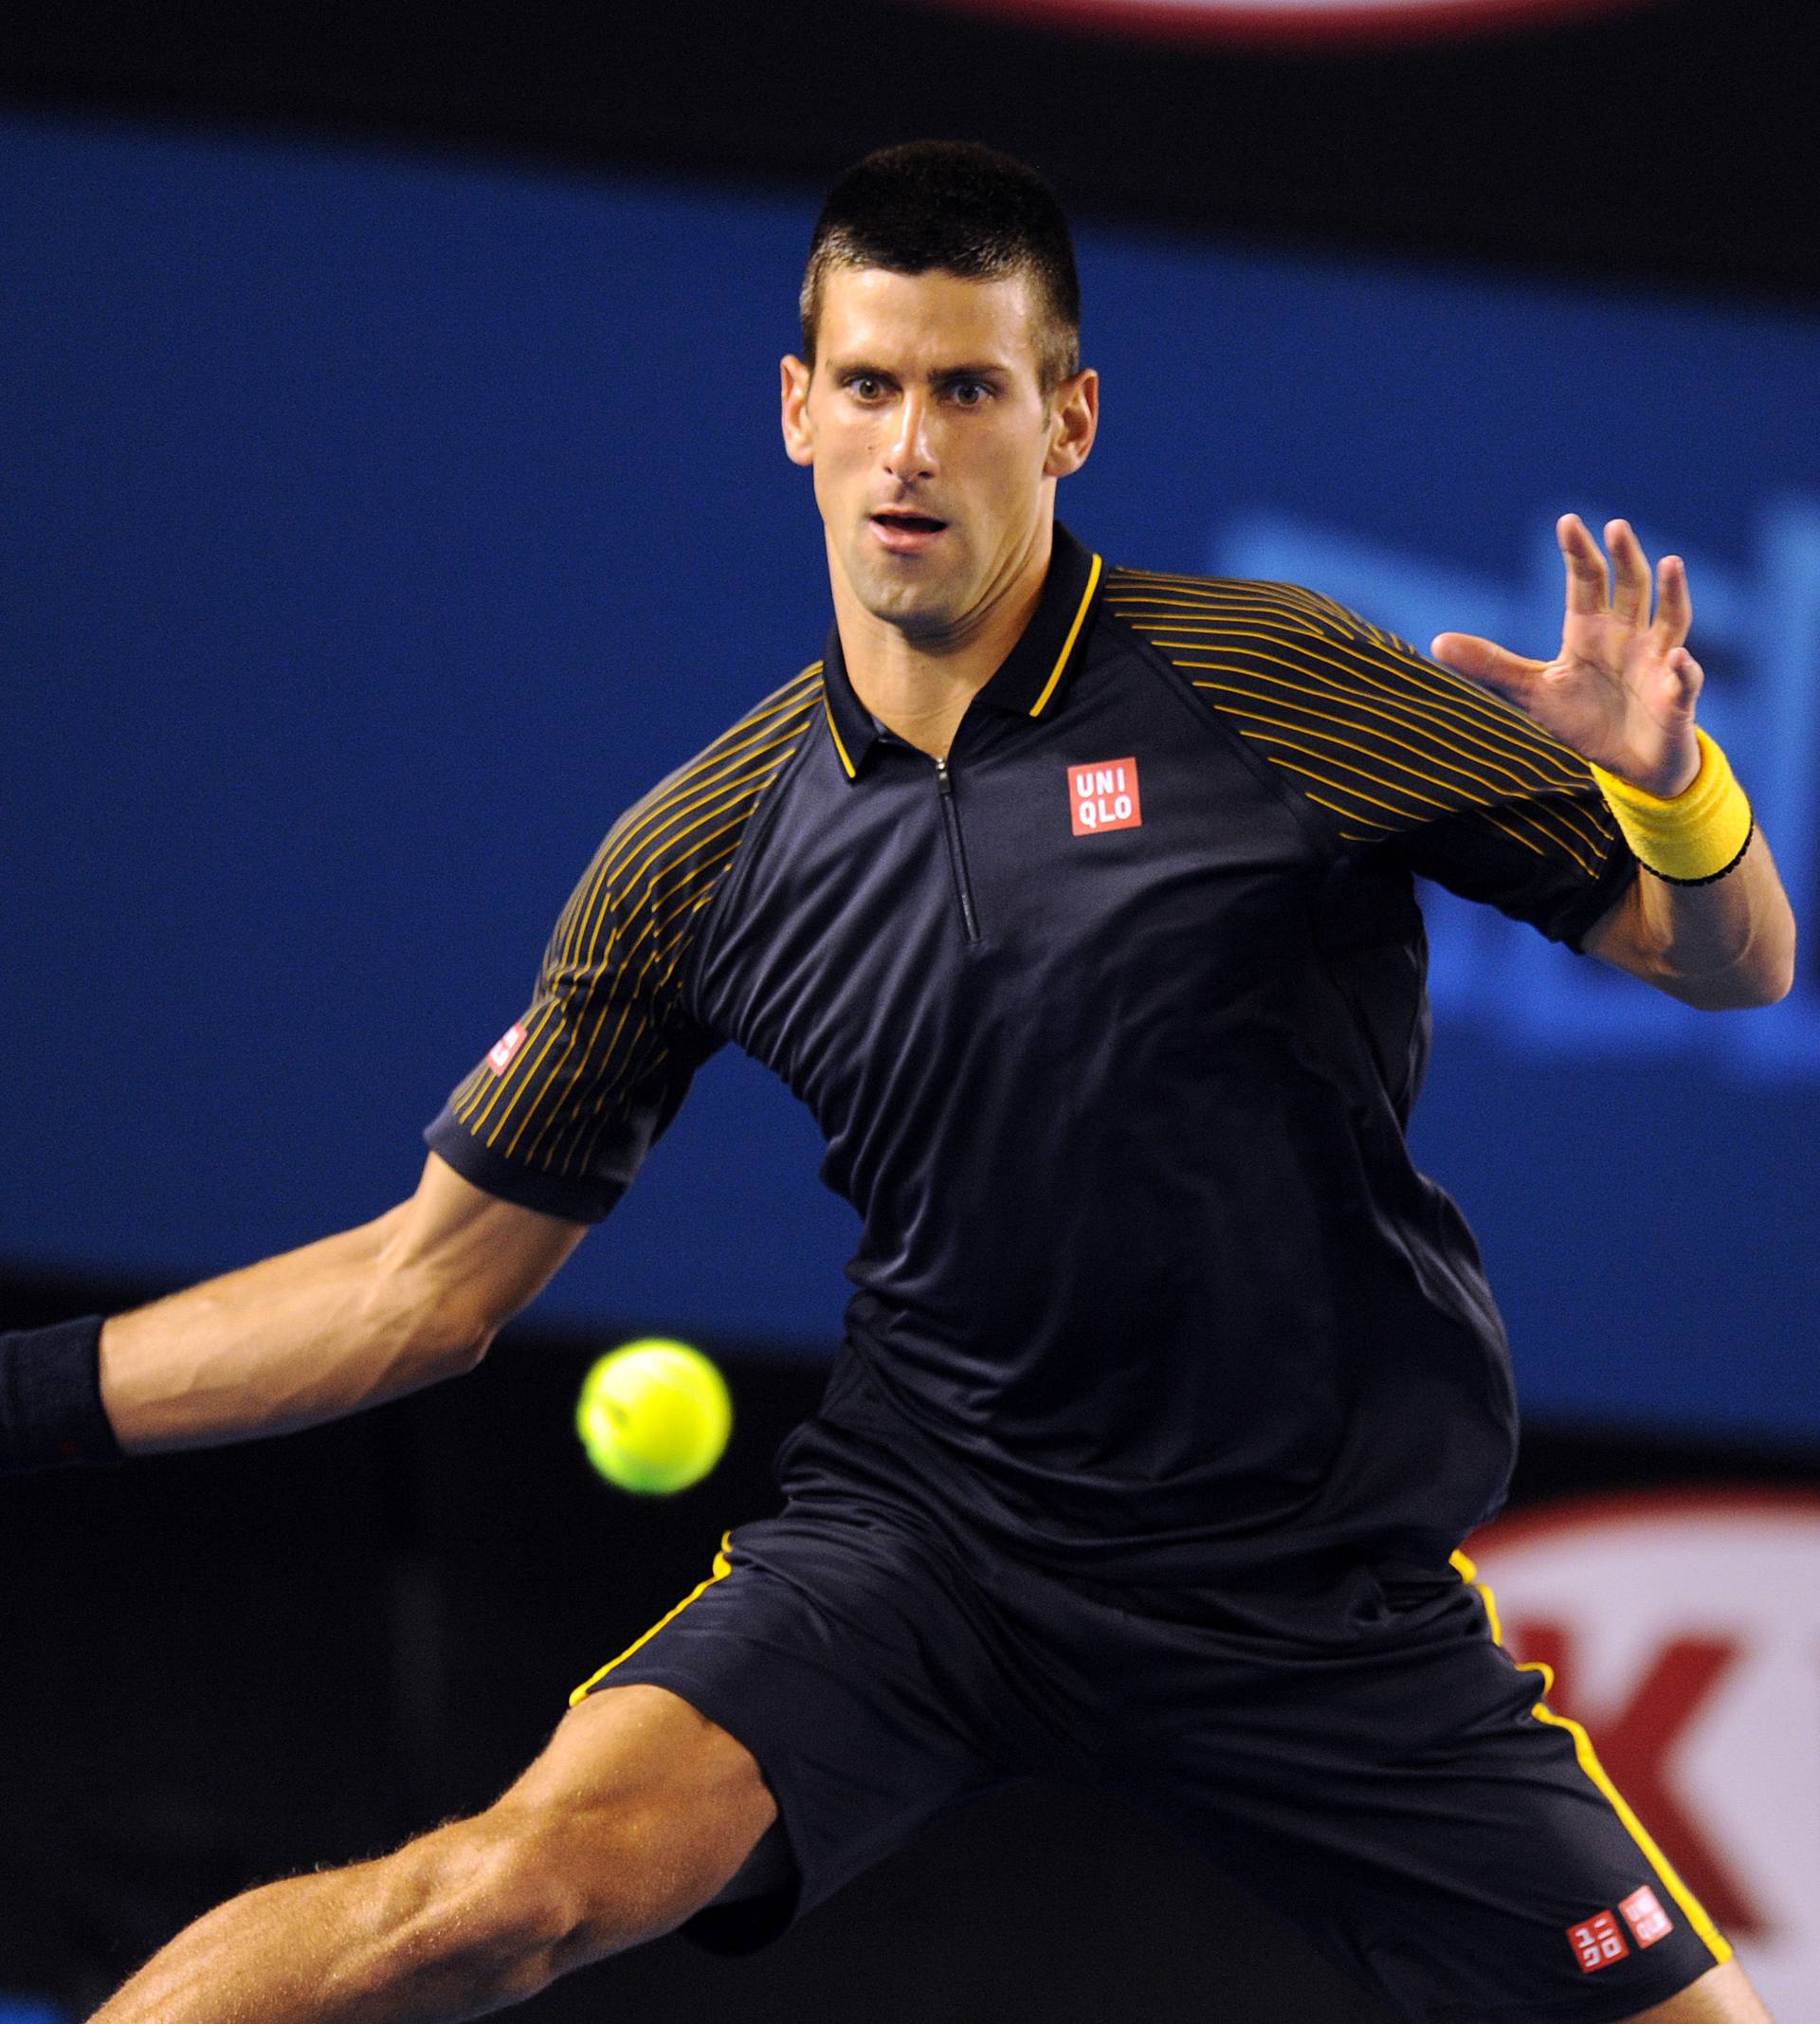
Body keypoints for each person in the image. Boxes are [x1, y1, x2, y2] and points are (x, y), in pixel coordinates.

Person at [0, 142, 1793, 2024]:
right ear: (798, 410)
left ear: (1068, 418)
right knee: (487, 1902)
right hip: (936, 1551)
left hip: (1316, 1593)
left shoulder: (1271, 682)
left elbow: (1733, 963)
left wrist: (1672, 790)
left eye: (969, 389)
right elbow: (414, 1294)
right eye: (868, 386)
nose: (911, 447)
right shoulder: (699, 853)